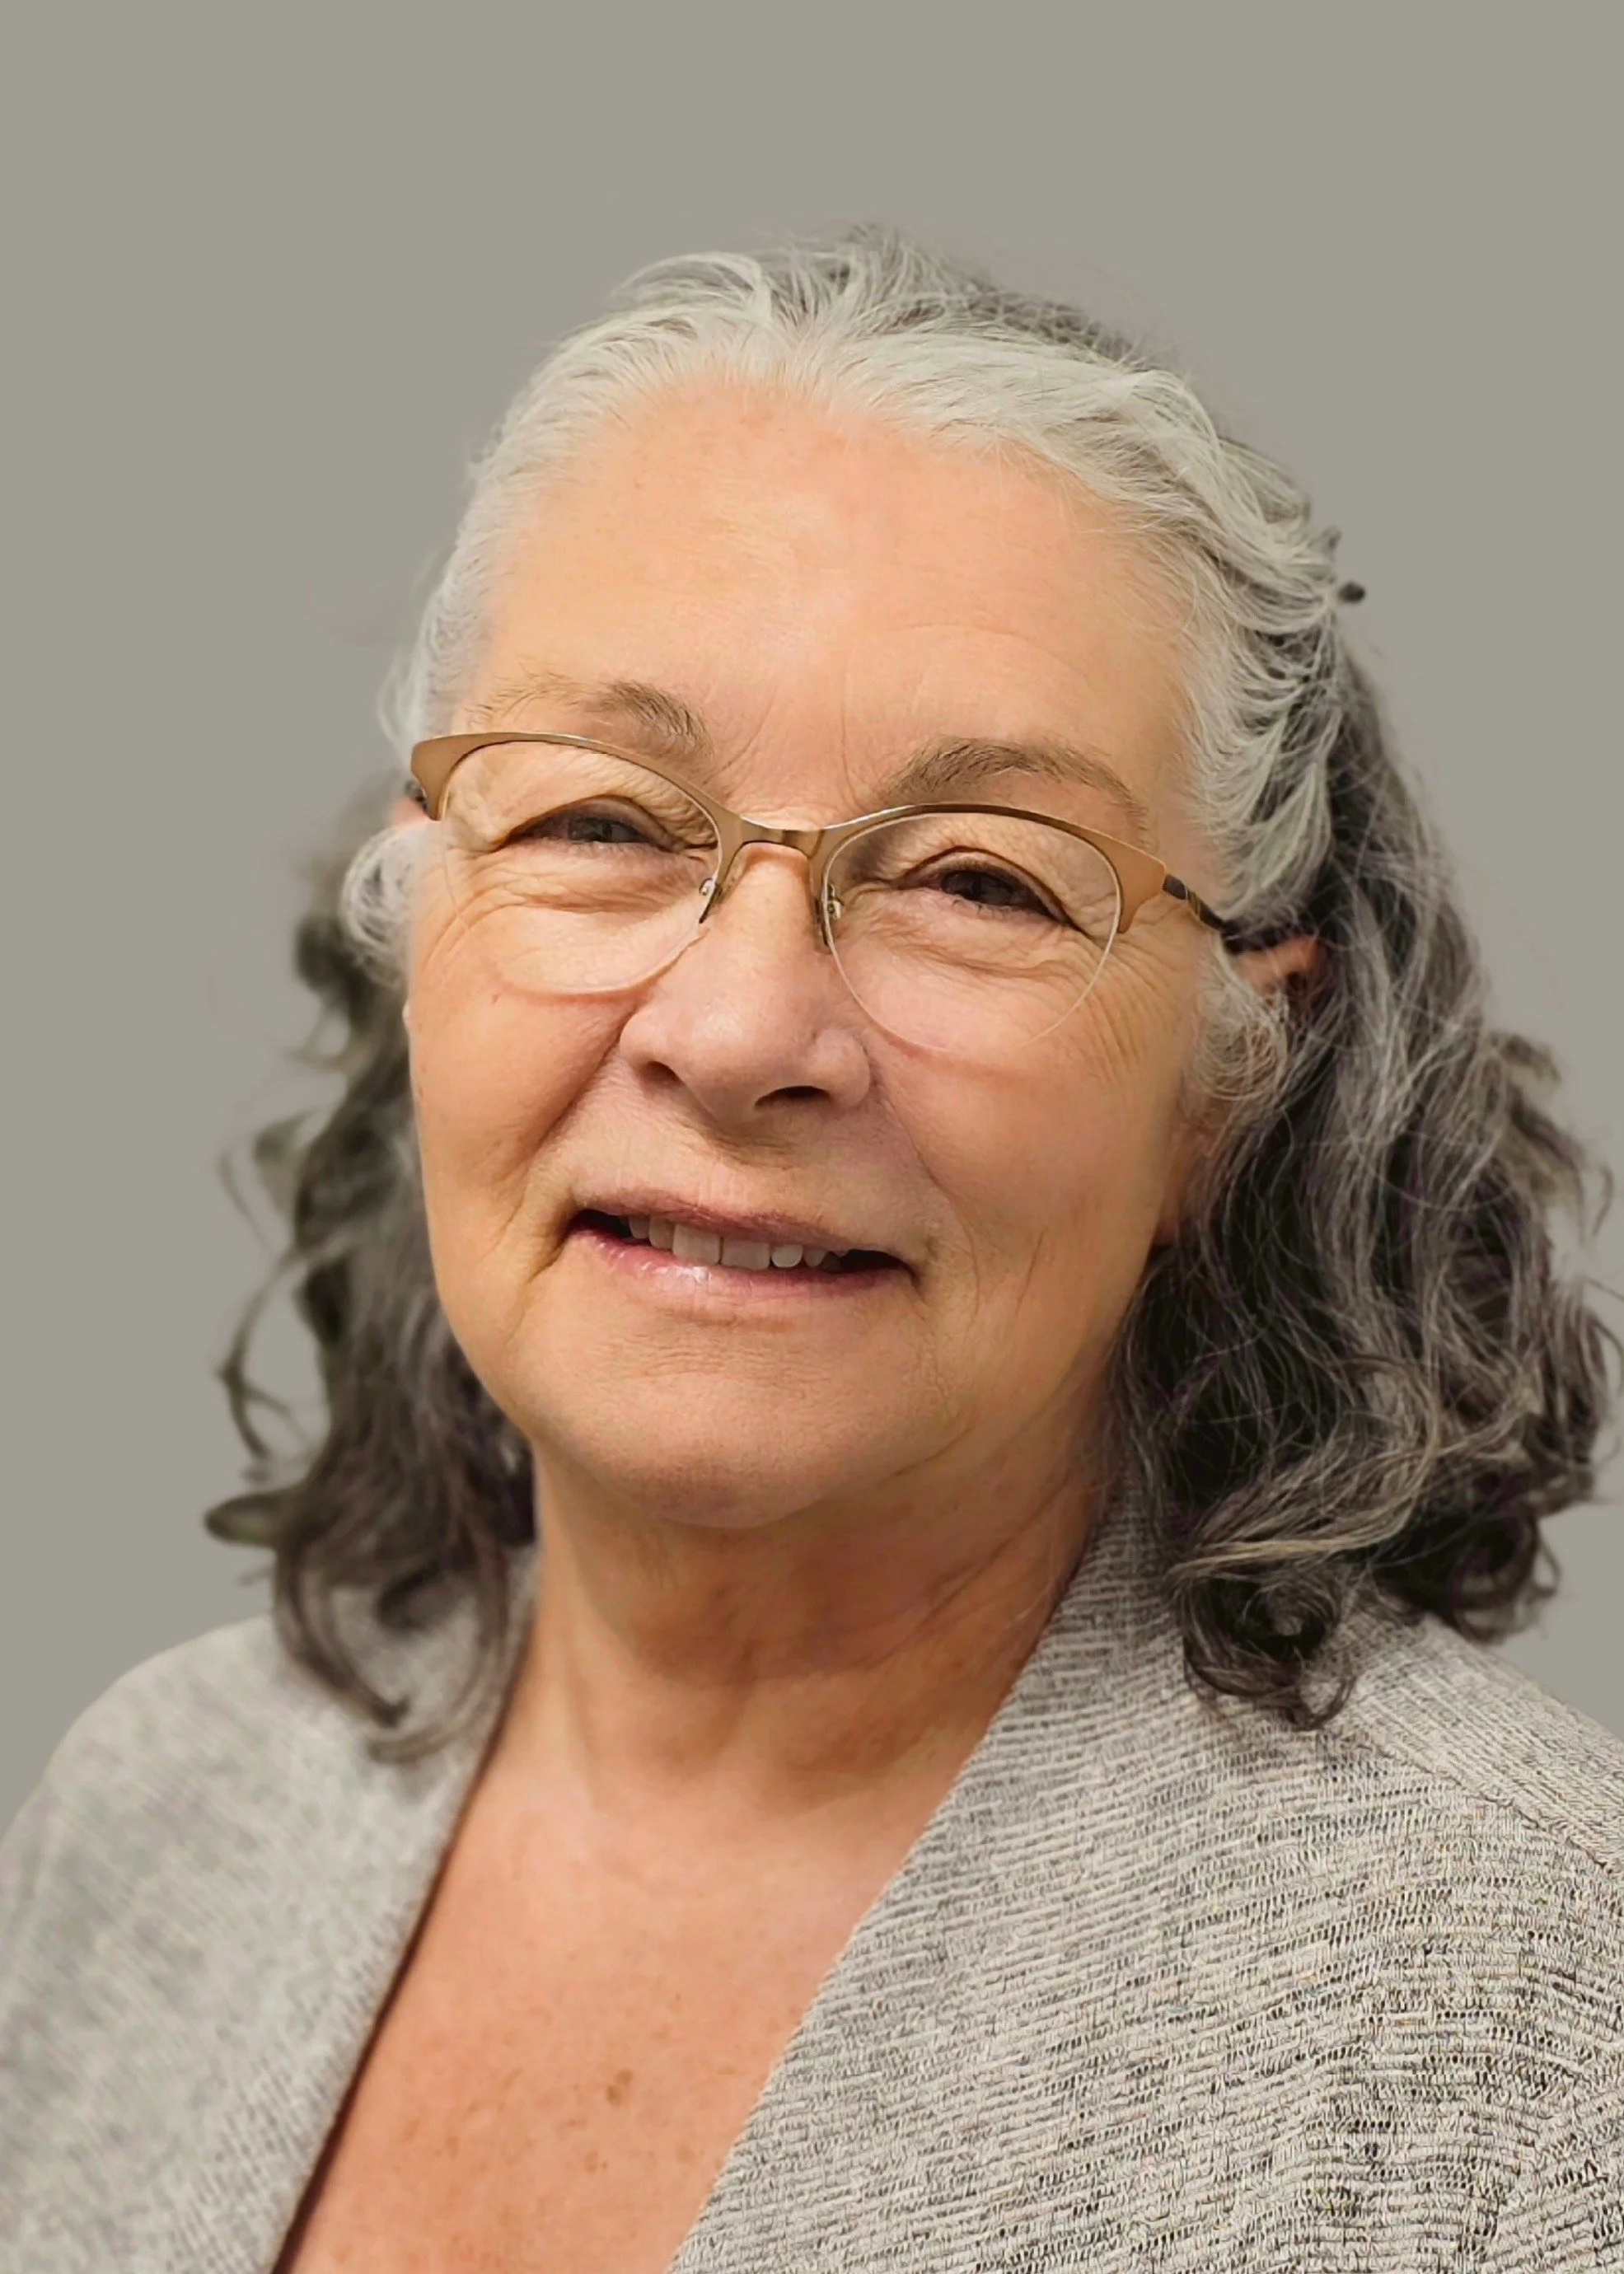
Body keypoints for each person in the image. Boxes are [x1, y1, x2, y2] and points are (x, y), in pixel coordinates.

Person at [2, 230, 1620, 2272]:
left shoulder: (1514, 2008)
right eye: (600, 824)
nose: (742, 1029)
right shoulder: (160, 1822)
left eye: (978, 881)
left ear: (1237, 1075)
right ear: (413, 931)